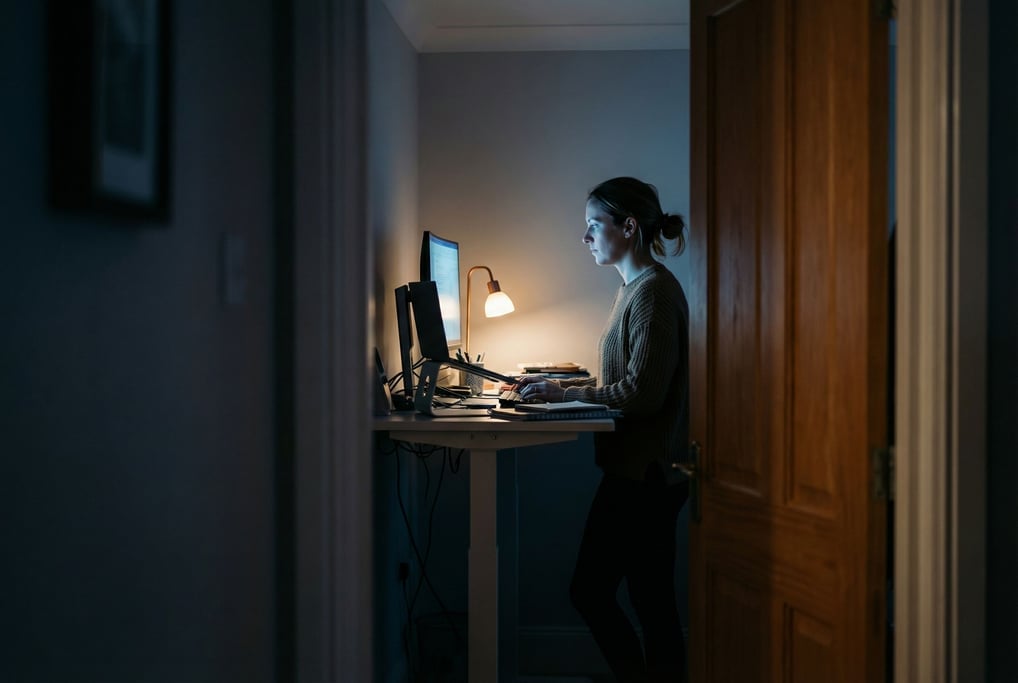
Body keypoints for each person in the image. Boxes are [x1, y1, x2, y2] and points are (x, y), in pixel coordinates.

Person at [514, 177, 690, 683]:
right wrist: (561, 385)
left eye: (594, 226)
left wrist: (566, 394)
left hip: (646, 475)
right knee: (648, 599)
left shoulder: (652, 293)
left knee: (597, 593)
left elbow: (640, 393)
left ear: (628, 228)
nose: (586, 237)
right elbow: (628, 379)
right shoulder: (634, 289)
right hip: (641, 471)